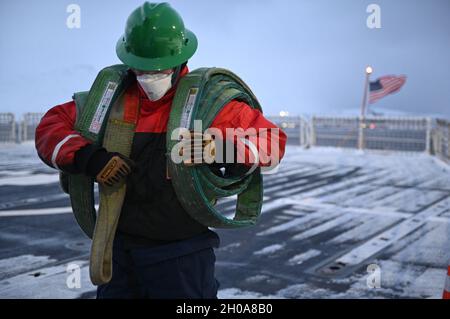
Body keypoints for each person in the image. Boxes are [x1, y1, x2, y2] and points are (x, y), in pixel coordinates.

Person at [35, 2, 286, 299]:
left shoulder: (210, 102)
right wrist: (88, 157)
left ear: (180, 59)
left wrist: (219, 147)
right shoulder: (109, 101)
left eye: (159, 68)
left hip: (182, 254)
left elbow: (271, 142)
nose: (150, 75)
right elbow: (50, 127)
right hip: (118, 248)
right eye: (142, 68)